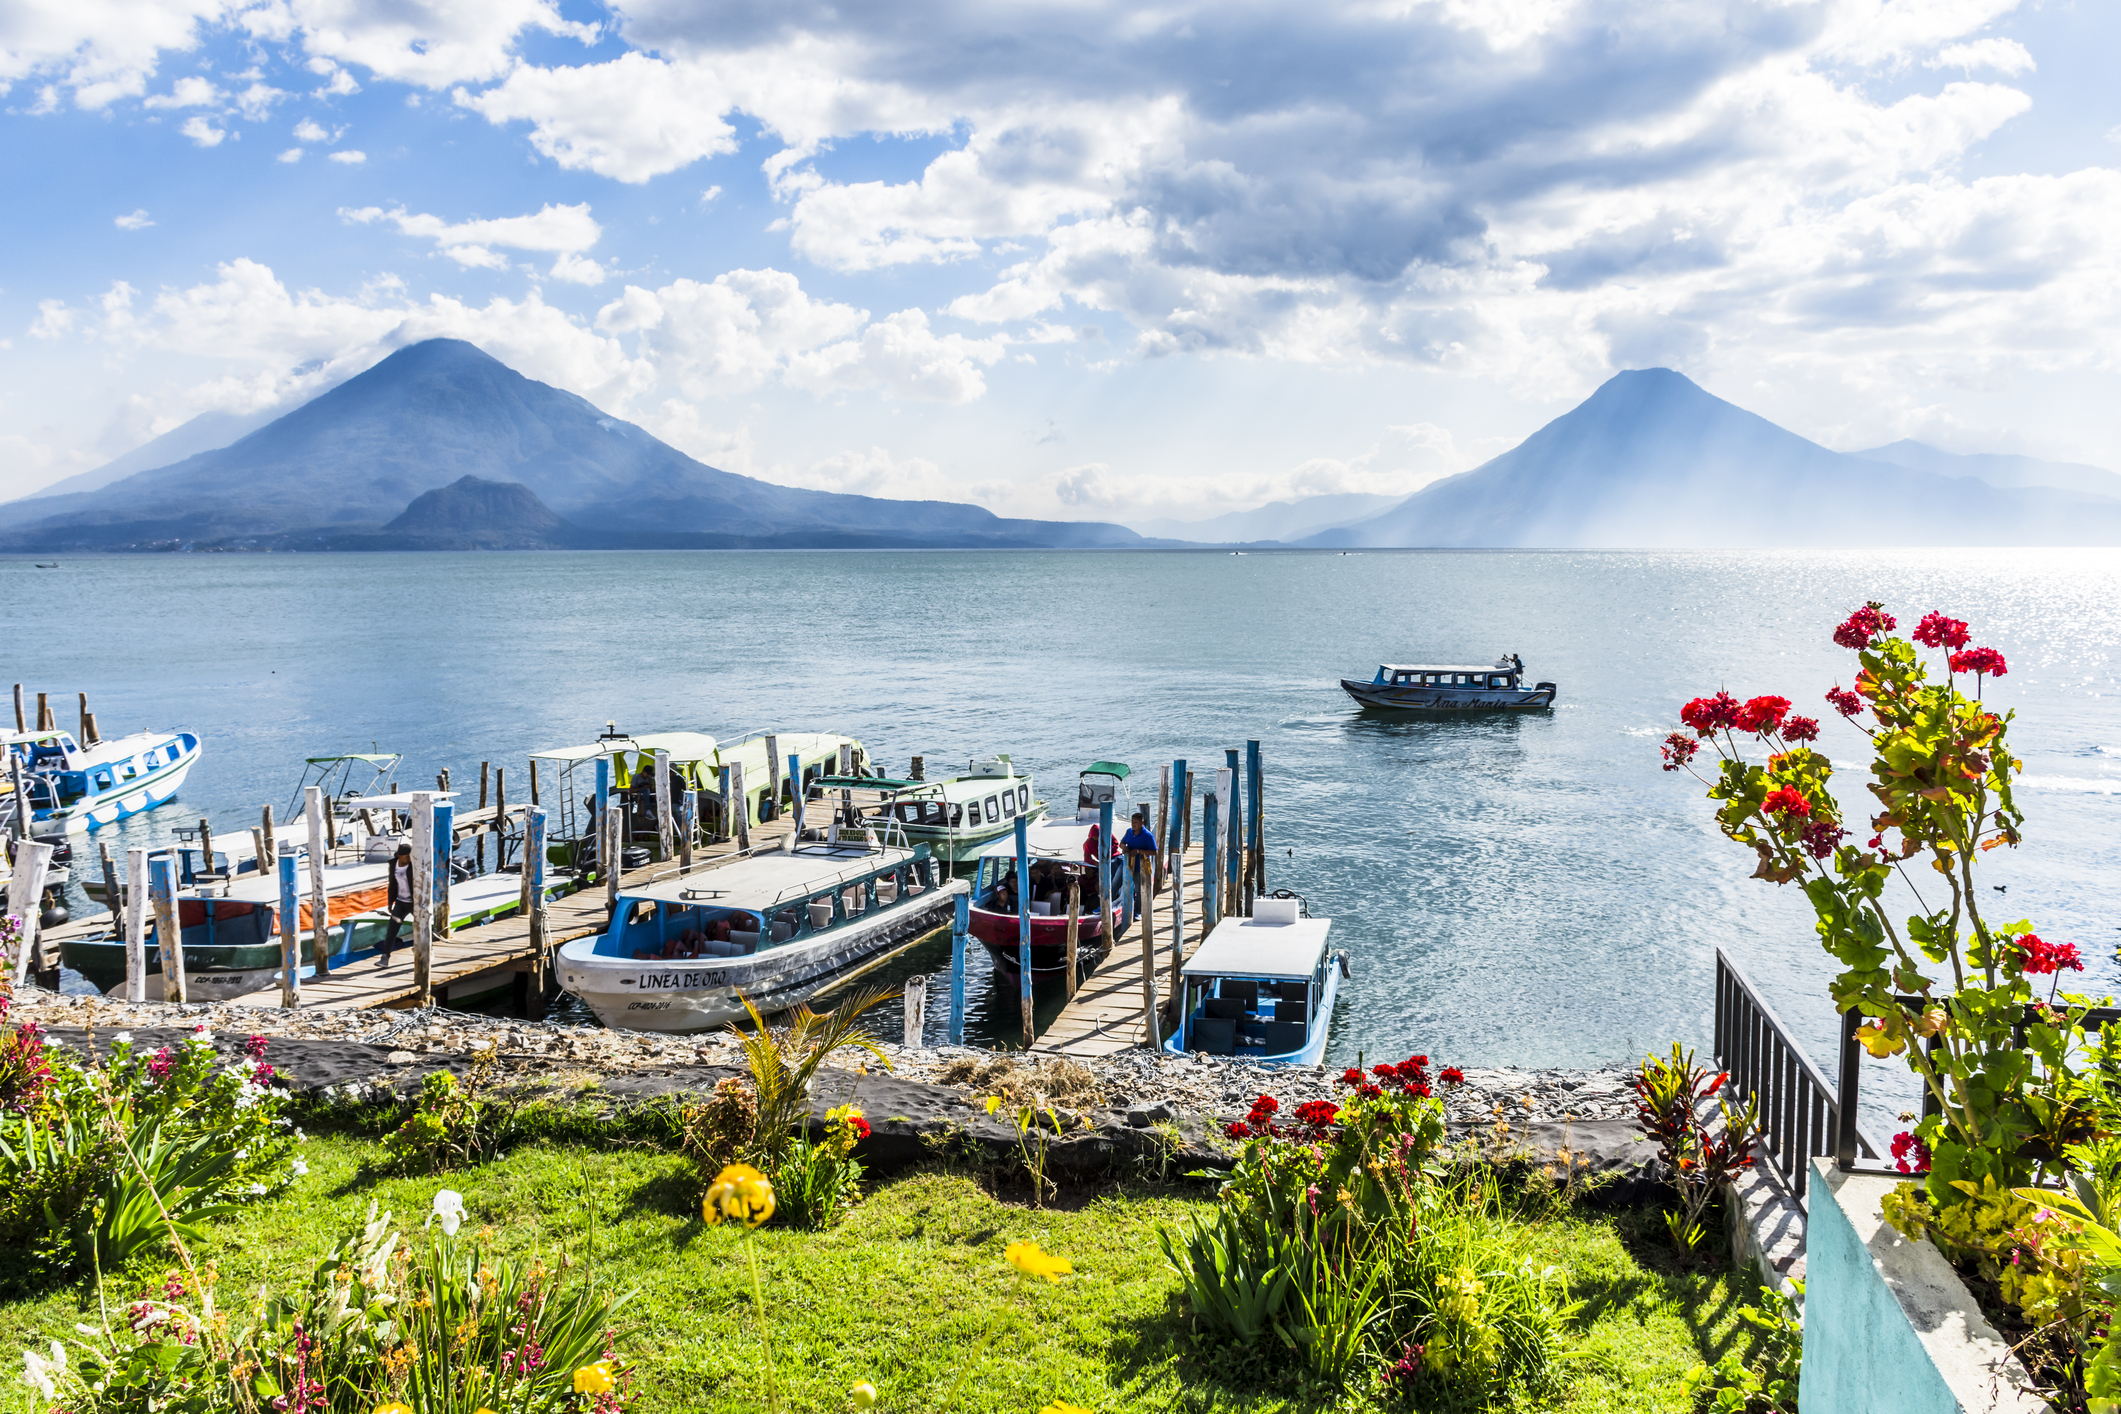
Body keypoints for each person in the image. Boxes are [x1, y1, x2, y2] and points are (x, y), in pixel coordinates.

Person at [379, 842, 414, 967]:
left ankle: (426, 948)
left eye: (410, 856)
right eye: (406, 856)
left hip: (414, 903)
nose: (409, 859)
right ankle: (385, 958)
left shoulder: (413, 866)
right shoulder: (393, 864)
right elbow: (392, 884)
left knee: (422, 926)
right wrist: (390, 901)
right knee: (392, 930)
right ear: (399, 856)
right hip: (400, 902)